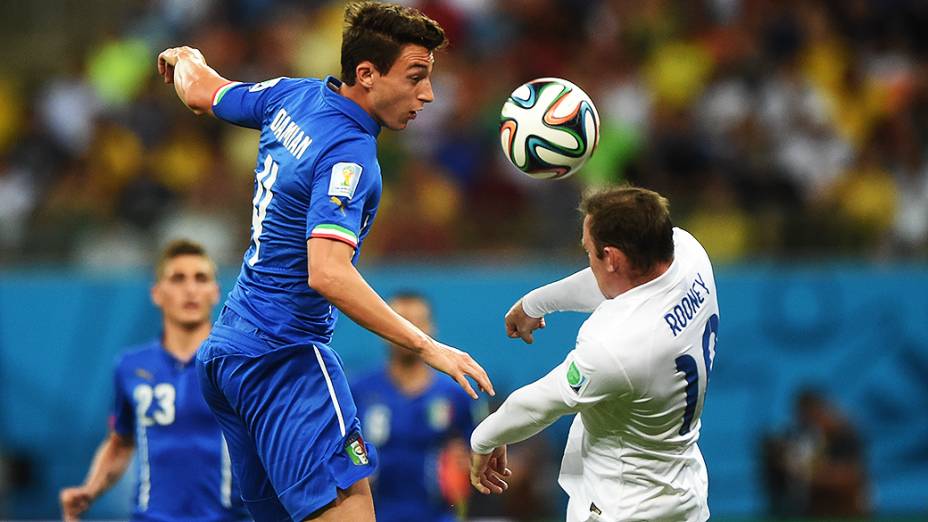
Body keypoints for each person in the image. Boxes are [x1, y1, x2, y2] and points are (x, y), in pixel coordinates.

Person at [156, 2, 494, 520]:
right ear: (366, 74)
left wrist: (183, 57)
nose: (427, 94)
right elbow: (328, 271)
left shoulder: (292, 94)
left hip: (227, 356)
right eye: (416, 77)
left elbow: (203, 90)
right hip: (284, 358)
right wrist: (428, 347)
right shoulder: (349, 153)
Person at [469, 186, 720, 522]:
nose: (588, 258)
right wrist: (536, 303)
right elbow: (619, 285)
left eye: (589, 251)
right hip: (685, 494)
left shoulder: (616, 346)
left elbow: (539, 404)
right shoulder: (690, 255)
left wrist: (484, 438)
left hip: (622, 506)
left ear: (612, 257)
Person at [59, 239, 248, 521]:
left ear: (215, 292)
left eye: (201, 278)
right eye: (177, 278)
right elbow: (121, 442)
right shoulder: (131, 366)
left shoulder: (238, 363)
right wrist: (90, 490)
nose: (190, 289)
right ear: (157, 293)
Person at [352, 292, 477, 522]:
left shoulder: (455, 395)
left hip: (438, 516)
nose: (409, 332)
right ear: (382, 328)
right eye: (400, 322)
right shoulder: (358, 391)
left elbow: (475, 455)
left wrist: (468, 464)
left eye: (418, 323)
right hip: (375, 515)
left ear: (432, 329)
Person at [760, 388, 869, 518]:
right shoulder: (794, 439)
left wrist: (807, 473)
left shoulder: (844, 436)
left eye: (814, 413)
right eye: (804, 416)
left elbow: (850, 478)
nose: (811, 421)